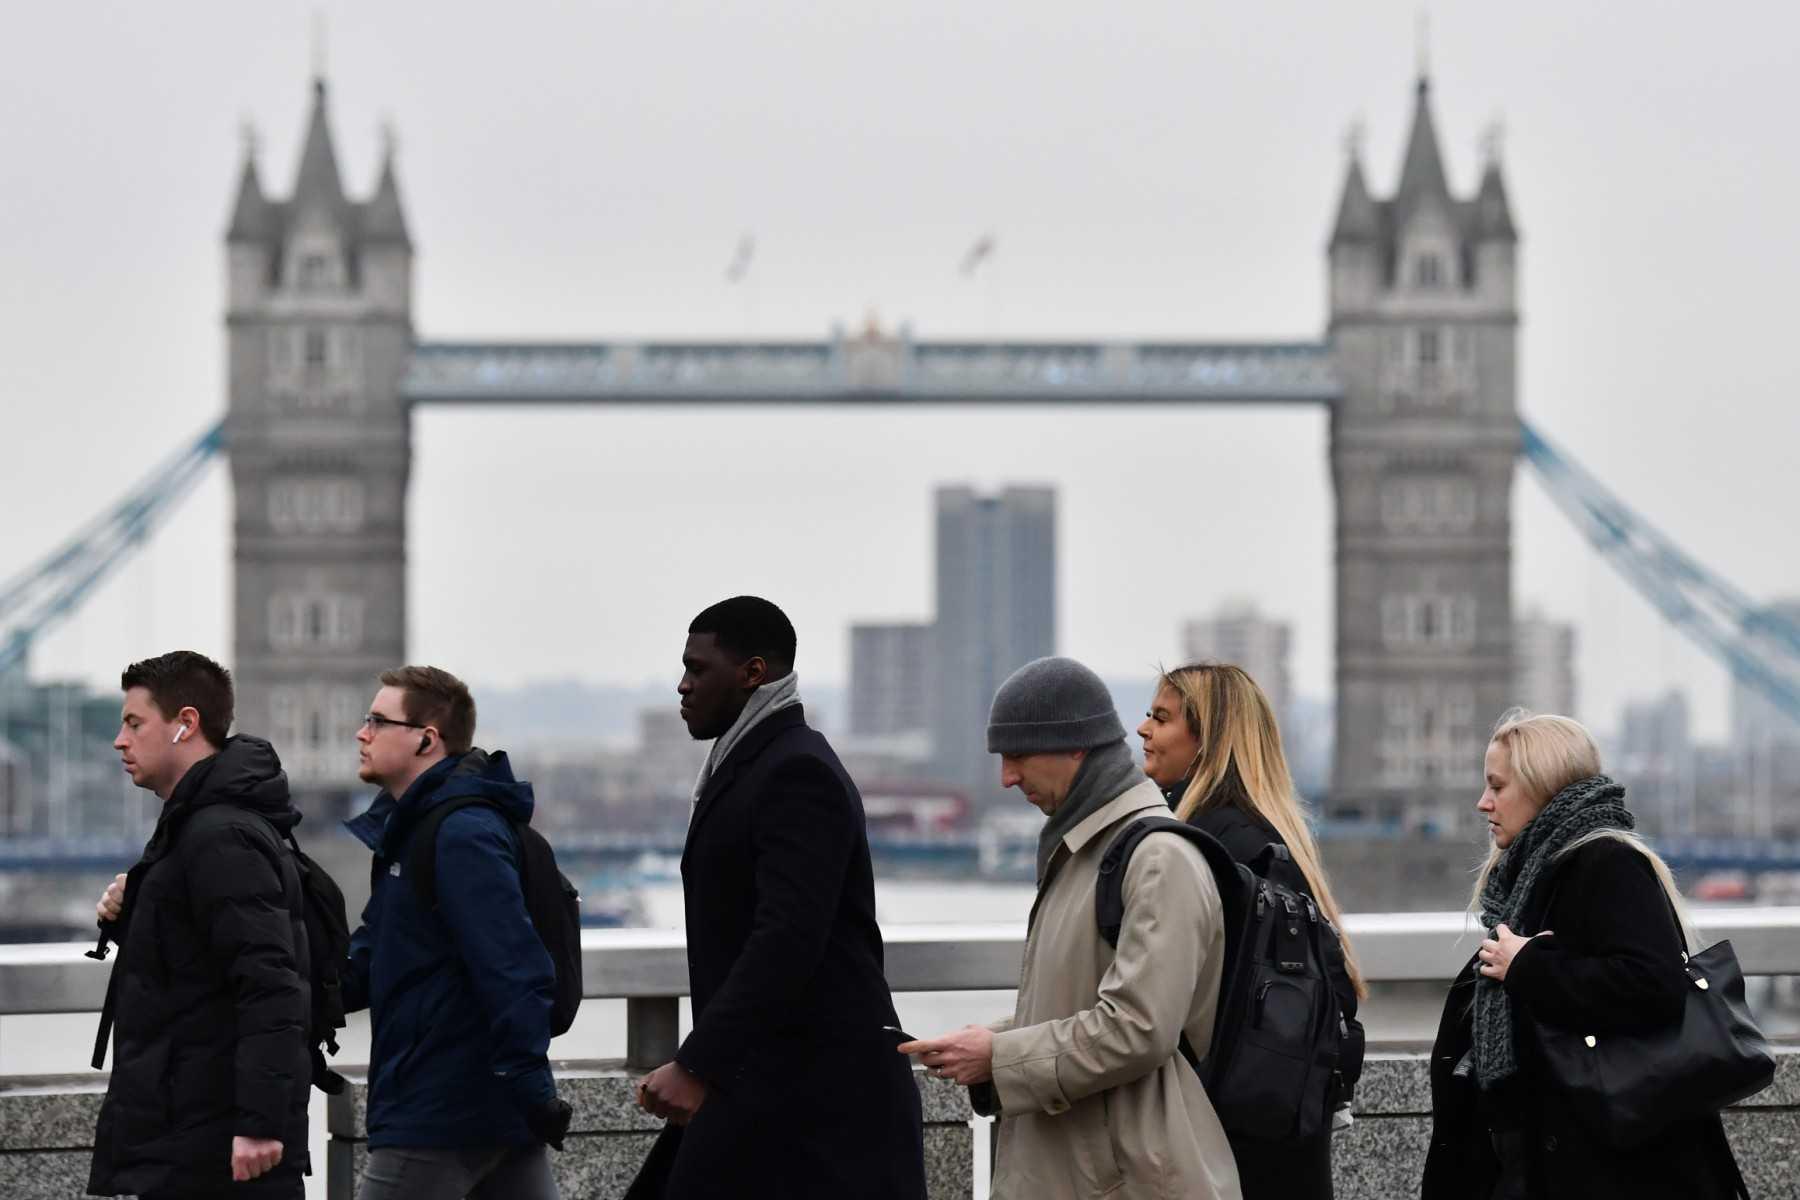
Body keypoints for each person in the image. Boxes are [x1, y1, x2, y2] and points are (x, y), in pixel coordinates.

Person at [901, 655, 1241, 1200]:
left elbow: (1139, 1028)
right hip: (1082, 1170)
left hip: (1123, 1178)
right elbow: (1085, 1002)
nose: (1007, 778)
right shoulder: (1089, 850)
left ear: (1076, 747)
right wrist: (995, 1039)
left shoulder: (1158, 858)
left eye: (1017, 756)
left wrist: (999, 1057)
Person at [628, 596, 926, 1200]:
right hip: (765, 1087)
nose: (682, 686)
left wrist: (696, 1063)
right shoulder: (754, 762)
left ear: (753, 673)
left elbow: (787, 939)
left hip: (816, 1106)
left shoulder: (796, 773)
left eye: (698, 669)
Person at [1421, 709, 1749, 1198]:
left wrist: (1528, 966)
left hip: (1599, 1164)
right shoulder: (1536, 870)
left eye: (1498, 786)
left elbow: (1652, 985)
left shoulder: (1606, 863)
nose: (1483, 803)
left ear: (1541, 785)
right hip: (1540, 1154)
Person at [1136, 661, 1366, 1198]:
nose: (1144, 729)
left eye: (1162, 718)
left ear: (1207, 741)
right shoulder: (1262, 836)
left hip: (1232, 1143)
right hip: (1276, 1134)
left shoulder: (1214, 846)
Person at [87, 650, 310, 1200]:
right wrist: (133, 911)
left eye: (134, 723)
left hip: (217, 1153)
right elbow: (193, 966)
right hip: (189, 1139)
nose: (120, 739)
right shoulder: (196, 826)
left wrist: (258, 1124)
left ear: (185, 724)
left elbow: (270, 985)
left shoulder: (218, 834)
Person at [342, 666, 570, 1200]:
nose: (361, 732)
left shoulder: (460, 833)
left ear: (427, 738)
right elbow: (373, 956)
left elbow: (512, 964)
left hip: (439, 1113)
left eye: (377, 720)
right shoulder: (414, 829)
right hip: (479, 1108)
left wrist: (530, 1085)